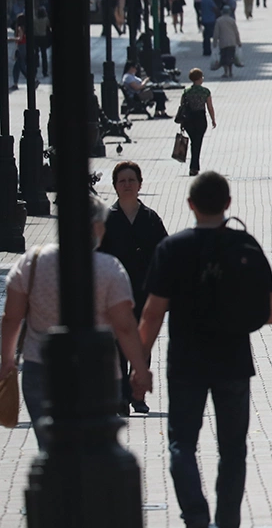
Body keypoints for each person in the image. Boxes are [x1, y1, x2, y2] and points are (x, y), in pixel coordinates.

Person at [139, 172, 272, 528]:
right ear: (228, 203)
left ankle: (196, 517)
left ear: (190, 205)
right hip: (233, 361)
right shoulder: (244, 244)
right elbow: (270, 314)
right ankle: (227, 520)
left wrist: (139, 368)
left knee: (181, 445)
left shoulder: (173, 248)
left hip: (186, 362)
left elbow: (153, 313)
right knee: (233, 450)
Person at [1, 196, 151, 449]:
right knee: (94, 448)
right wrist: (139, 369)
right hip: (98, 371)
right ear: (97, 227)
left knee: (50, 449)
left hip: (41, 368)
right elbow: (125, 326)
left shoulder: (32, 262)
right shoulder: (109, 269)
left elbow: (12, 318)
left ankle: (56, 486)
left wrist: (6, 360)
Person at [97, 162, 169, 415]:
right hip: (114, 293)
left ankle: (137, 395)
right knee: (117, 345)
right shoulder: (107, 219)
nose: (127, 185)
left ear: (140, 184)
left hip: (145, 291)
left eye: (131, 180)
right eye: (122, 181)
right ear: (115, 186)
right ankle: (119, 396)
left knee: (141, 344)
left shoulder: (150, 218)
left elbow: (165, 252)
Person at [178, 68, 216, 176]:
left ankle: (194, 166)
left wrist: (182, 122)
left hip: (189, 119)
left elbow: (182, 107)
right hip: (200, 118)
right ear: (199, 78)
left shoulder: (186, 91)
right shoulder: (205, 91)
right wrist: (213, 119)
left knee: (194, 141)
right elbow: (210, 107)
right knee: (197, 142)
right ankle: (194, 166)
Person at [213, 5, 241, 78]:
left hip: (223, 42)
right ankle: (231, 72)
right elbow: (236, 32)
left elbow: (216, 33)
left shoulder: (219, 20)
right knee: (231, 57)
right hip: (232, 41)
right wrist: (238, 41)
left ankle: (226, 72)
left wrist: (215, 42)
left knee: (224, 57)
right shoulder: (232, 20)